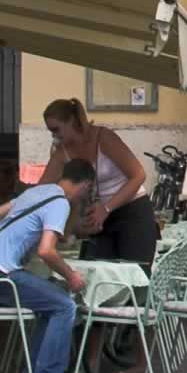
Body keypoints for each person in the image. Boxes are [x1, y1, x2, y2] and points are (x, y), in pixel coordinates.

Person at [0, 158, 99, 373]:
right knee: (65, 305)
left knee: (50, 302)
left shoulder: (39, 191)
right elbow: (47, 250)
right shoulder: (59, 203)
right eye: (89, 190)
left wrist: (8, 247)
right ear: (86, 185)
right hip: (3, 275)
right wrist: (71, 276)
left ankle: (32, 372)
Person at [45, 98, 157, 263]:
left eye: (56, 129)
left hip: (131, 210)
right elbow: (43, 188)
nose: (54, 135)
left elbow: (139, 175)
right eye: (50, 131)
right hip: (99, 218)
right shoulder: (62, 152)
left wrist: (106, 208)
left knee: (136, 273)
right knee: (103, 277)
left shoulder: (103, 137)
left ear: (70, 121)